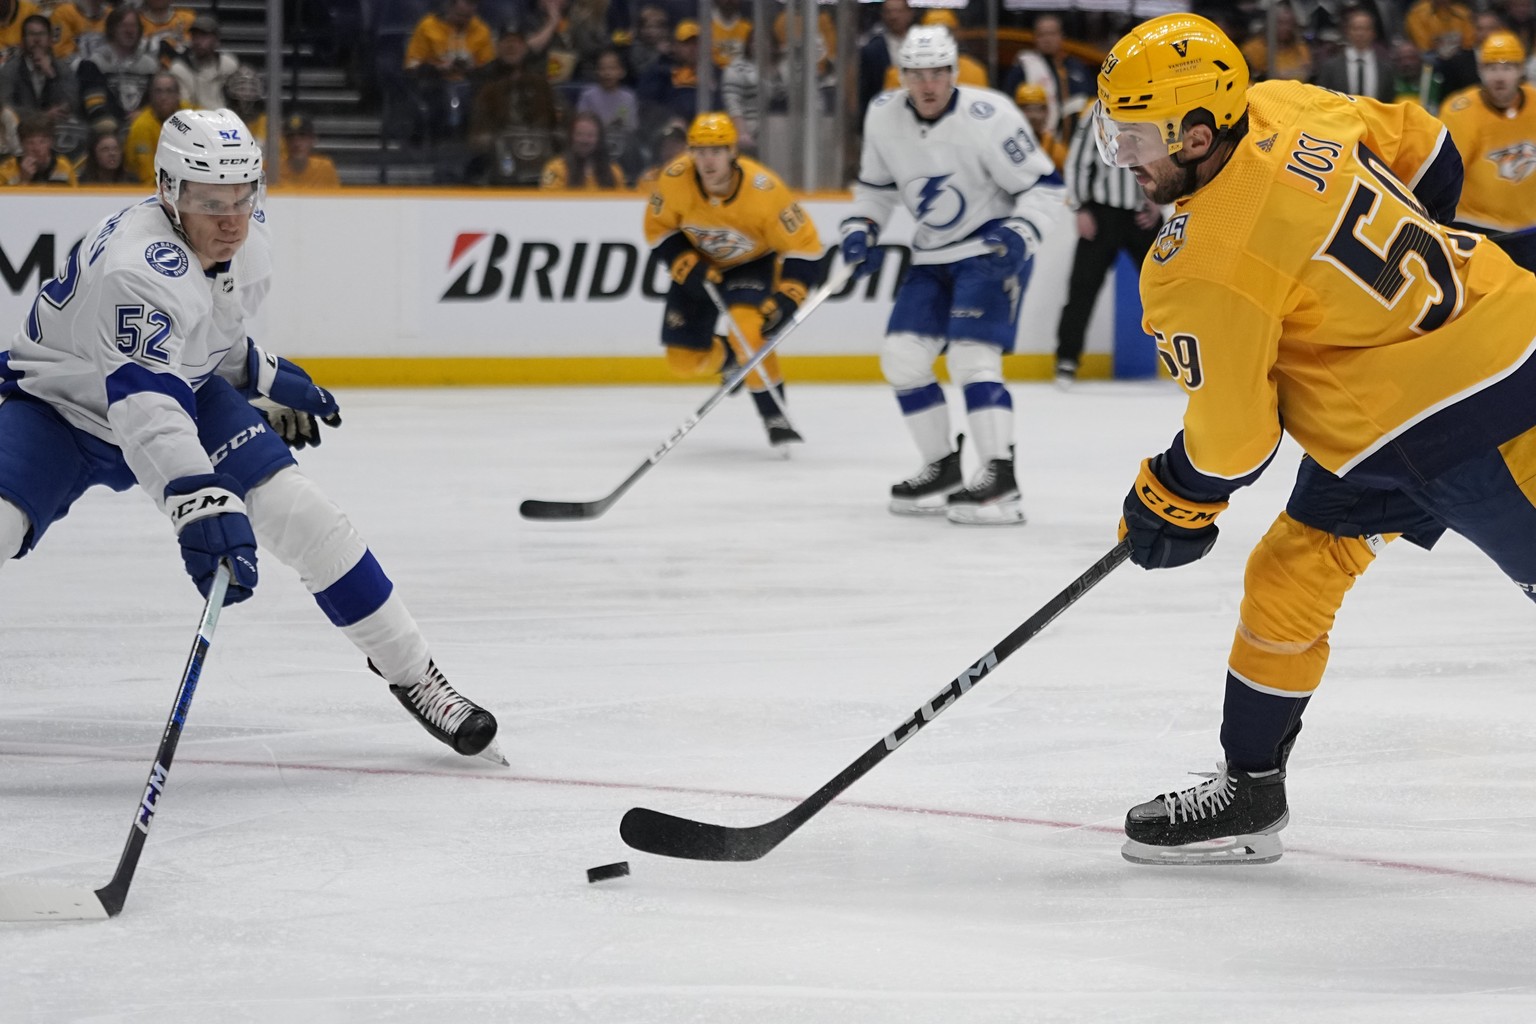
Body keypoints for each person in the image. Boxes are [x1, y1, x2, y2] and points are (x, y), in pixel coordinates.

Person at [1093, 13, 1536, 866]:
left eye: (1136, 136)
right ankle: (1251, 788)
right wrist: (1388, 317)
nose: (1123, 156)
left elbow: (1232, 443)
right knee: (1291, 573)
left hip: (1492, 410)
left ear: (1194, 133)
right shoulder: (1283, 104)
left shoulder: (1199, 261)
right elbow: (1431, 147)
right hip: (1415, 404)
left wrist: (1171, 493)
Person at [0, 108, 503, 763]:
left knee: (306, 515)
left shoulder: (244, 240)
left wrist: (261, 374)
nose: (232, 217)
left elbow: (209, 335)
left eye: (243, 196)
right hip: (56, 406)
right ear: (169, 192)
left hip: (189, 392)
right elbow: (145, 408)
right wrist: (196, 499)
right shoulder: (137, 268)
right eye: (211, 201)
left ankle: (416, 674)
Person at [841, 25, 1065, 524]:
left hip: (990, 249)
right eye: (916, 74)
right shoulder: (882, 116)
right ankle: (941, 466)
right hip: (932, 255)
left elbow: (1047, 185)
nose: (927, 85)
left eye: (937, 73)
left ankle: (1000, 479)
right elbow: (876, 187)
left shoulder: (991, 116)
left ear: (953, 72)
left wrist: (1022, 233)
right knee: (902, 359)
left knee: (971, 357)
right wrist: (862, 227)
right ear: (902, 76)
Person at [642, 111, 823, 448]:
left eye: (717, 150)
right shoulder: (673, 179)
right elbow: (658, 228)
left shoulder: (765, 191)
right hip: (699, 265)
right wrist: (683, 263)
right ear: (690, 152)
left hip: (750, 265)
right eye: (699, 150)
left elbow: (806, 247)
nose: (708, 160)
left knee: (749, 332)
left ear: (732, 152)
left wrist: (791, 294)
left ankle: (774, 415)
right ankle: (730, 359)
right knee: (682, 362)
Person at [1052, 101, 1161, 389]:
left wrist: (1158, 201)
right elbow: (1077, 160)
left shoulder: (1155, 106)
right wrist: (1080, 208)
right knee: (1082, 288)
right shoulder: (1096, 112)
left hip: (1143, 214)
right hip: (1102, 213)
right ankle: (1067, 359)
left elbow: (1167, 154)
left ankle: (1188, 357)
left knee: (1167, 288)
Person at [1436, 31, 1536, 233]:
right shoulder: (1459, 112)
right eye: (1491, 68)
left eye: (1508, 68)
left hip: (1530, 227)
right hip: (1477, 225)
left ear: (1521, 70)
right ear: (1480, 70)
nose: (1499, 77)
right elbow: (1444, 175)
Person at [0, 14, 80, 124]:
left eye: (42, 34)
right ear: (23, 41)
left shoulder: (62, 67)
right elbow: (5, 108)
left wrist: (52, 76)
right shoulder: (10, 69)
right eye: (31, 34)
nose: (37, 39)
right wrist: (41, 116)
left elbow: (72, 103)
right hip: (22, 130)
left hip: (56, 127)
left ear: (50, 40)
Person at [1311, 5, 1397, 102]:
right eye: (1356, 28)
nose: (1360, 33)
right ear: (1347, 31)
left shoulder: (1386, 69)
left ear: (1373, 33)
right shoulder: (1330, 67)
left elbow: (1389, 101)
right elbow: (1322, 98)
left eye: (1365, 29)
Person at [170, 16, 244, 111]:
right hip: (195, 121)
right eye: (195, 36)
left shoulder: (229, 64)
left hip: (226, 120)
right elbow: (184, 107)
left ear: (216, 40)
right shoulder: (180, 68)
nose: (198, 41)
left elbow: (238, 100)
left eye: (203, 36)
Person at [123, 72, 185, 185]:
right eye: (158, 91)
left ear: (178, 95)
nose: (163, 97)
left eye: (169, 91)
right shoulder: (141, 126)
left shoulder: (192, 117)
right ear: (150, 95)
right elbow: (146, 176)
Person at [540, 110, 625, 190]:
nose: (584, 140)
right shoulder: (555, 169)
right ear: (571, 137)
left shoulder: (614, 172)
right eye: (579, 134)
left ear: (599, 139)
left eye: (590, 135)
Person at [0, 111, 76, 184]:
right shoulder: (6, 170)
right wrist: (23, 180)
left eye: (42, 142)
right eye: (30, 143)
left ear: (51, 142)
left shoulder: (64, 167)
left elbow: (75, 196)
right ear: (22, 144)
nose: (37, 148)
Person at [276, 112, 342, 189]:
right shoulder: (271, 169)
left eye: (302, 136)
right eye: (290, 137)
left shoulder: (324, 168)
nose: (296, 143)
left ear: (313, 139)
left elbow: (335, 198)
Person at [1013, 82, 1066, 171]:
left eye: (1039, 109)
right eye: (1027, 109)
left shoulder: (1056, 150)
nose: (1034, 116)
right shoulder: (1007, 145)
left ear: (1047, 111)